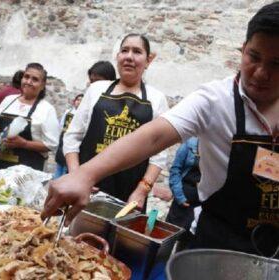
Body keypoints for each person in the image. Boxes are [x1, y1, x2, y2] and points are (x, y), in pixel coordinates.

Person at [42, 2, 279, 257]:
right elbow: (155, 136)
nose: (262, 73)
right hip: (218, 244)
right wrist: (84, 175)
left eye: (277, 64)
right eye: (254, 57)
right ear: (242, 49)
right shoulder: (214, 100)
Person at [63, 34, 169, 209]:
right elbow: (72, 137)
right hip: (86, 188)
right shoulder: (96, 90)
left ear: (148, 61)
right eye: (124, 50)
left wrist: (142, 191)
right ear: (118, 57)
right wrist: (76, 175)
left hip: (129, 194)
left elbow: (159, 155)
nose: (129, 56)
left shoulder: (156, 99)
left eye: (137, 51)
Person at [0, 63, 60, 171]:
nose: (29, 82)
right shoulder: (8, 101)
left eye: (35, 79)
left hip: (26, 171)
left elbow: (52, 144)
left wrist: (24, 144)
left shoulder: (46, 109)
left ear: (42, 85)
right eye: (26, 77)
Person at [166, 137, 201, 232]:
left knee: (190, 239)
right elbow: (175, 170)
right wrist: (179, 196)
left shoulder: (216, 150)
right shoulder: (189, 145)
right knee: (170, 233)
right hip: (182, 200)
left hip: (200, 204)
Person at [54, 93, 84, 179]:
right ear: (74, 101)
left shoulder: (82, 115)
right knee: (60, 162)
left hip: (72, 141)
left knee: (67, 165)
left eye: (81, 101)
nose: (79, 102)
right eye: (78, 100)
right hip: (63, 139)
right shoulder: (68, 112)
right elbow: (62, 124)